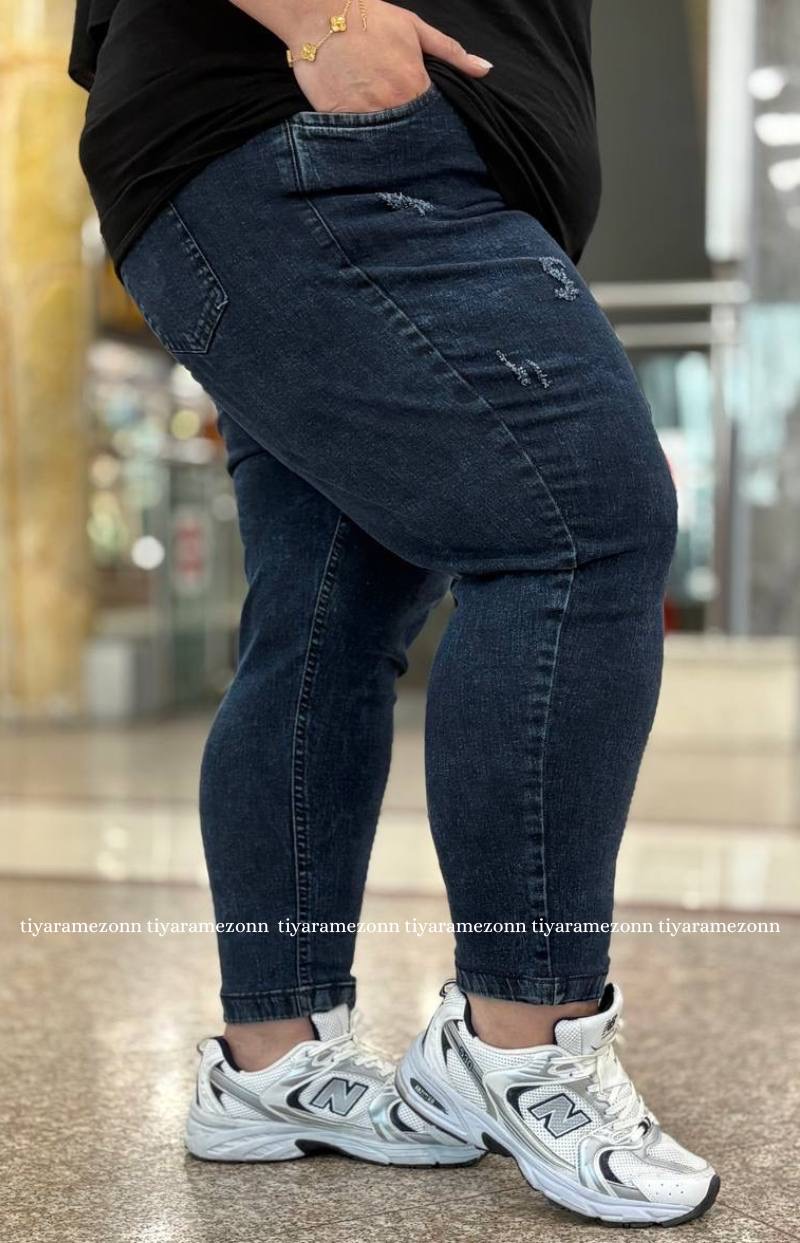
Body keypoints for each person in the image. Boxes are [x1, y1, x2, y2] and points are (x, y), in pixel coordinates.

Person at [69, 0, 719, 1225]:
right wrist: (322, 22)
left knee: (326, 615)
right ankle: (523, 1039)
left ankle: (271, 1062)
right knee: (579, 527)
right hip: (315, 133)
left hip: (300, 149)